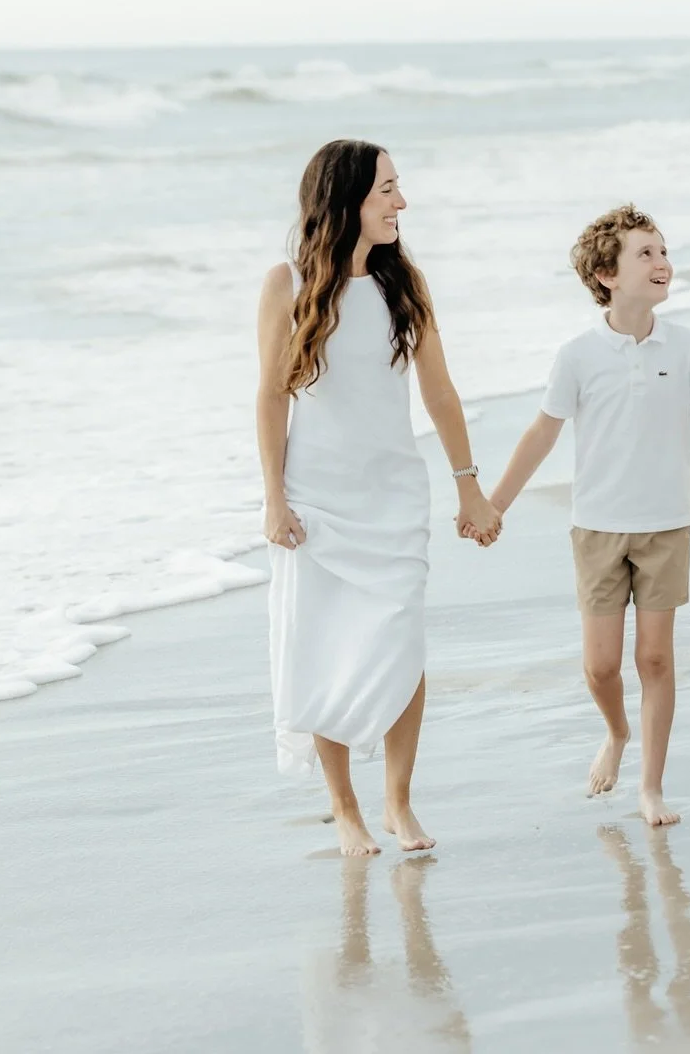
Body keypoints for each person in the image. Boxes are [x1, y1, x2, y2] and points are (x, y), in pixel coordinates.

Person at [489, 205, 690, 827]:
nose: (662, 263)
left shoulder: (683, 345)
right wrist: (493, 505)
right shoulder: (577, 355)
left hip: (665, 526)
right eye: (645, 254)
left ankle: (651, 787)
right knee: (600, 666)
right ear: (607, 274)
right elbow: (542, 435)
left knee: (654, 660)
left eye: (663, 251)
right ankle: (617, 732)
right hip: (598, 527)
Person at [256, 138, 501, 858]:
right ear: (348, 199)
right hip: (317, 496)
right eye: (388, 189)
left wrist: (470, 488)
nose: (402, 202)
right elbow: (271, 397)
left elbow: (441, 393)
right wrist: (274, 499)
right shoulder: (288, 283)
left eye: (398, 188)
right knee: (324, 647)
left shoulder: (405, 283)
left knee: (400, 642)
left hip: (393, 494)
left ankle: (398, 801)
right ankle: (346, 810)